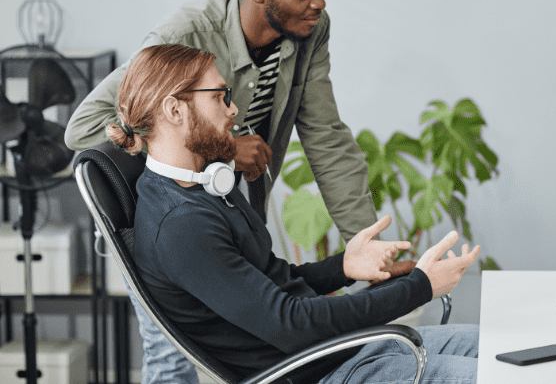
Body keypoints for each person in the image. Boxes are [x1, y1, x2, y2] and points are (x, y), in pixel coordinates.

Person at [65, 0, 415, 383]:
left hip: (230, 210)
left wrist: (368, 252)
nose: (320, 2)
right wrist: (225, 150)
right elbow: (83, 128)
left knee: (266, 337)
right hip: (176, 229)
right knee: (172, 358)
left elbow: (326, 137)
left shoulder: (311, 29)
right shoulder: (188, 34)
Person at [107, 43, 480, 383]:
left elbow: (275, 281)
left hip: (346, 352)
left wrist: (344, 267)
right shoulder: (180, 226)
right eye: (221, 97)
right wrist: (421, 287)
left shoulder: (205, 183)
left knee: (500, 346)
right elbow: (291, 323)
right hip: (326, 371)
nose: (233, 109)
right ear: (175, 109)